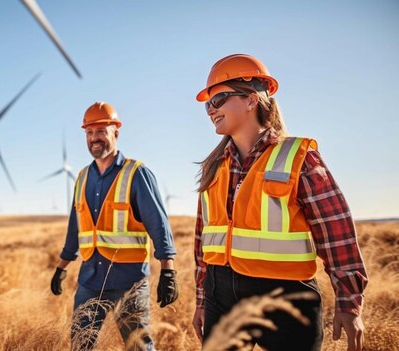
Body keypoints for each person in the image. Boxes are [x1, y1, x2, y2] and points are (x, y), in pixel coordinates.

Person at [191, 54, 368, 351]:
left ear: (251, 99)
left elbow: (336, 232)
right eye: (207, 104)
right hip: (220, 292)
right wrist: (201, 300)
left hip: (287, 297)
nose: (211, 110)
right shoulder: (214, 166)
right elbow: (202, 241)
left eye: (218, 99)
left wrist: (349, 304)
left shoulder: (298, 157)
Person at [50, 101, 178, 351]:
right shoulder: (82, 177)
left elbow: (158, 224)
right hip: (89, 280)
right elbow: (75, 228)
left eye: (100, 131)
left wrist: (168, 271)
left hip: (128, 282)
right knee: (80, 345)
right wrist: (61, 267)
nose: (94, 138)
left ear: (115, 133)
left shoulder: (136, 173)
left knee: (138, 347)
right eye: (89, 132)